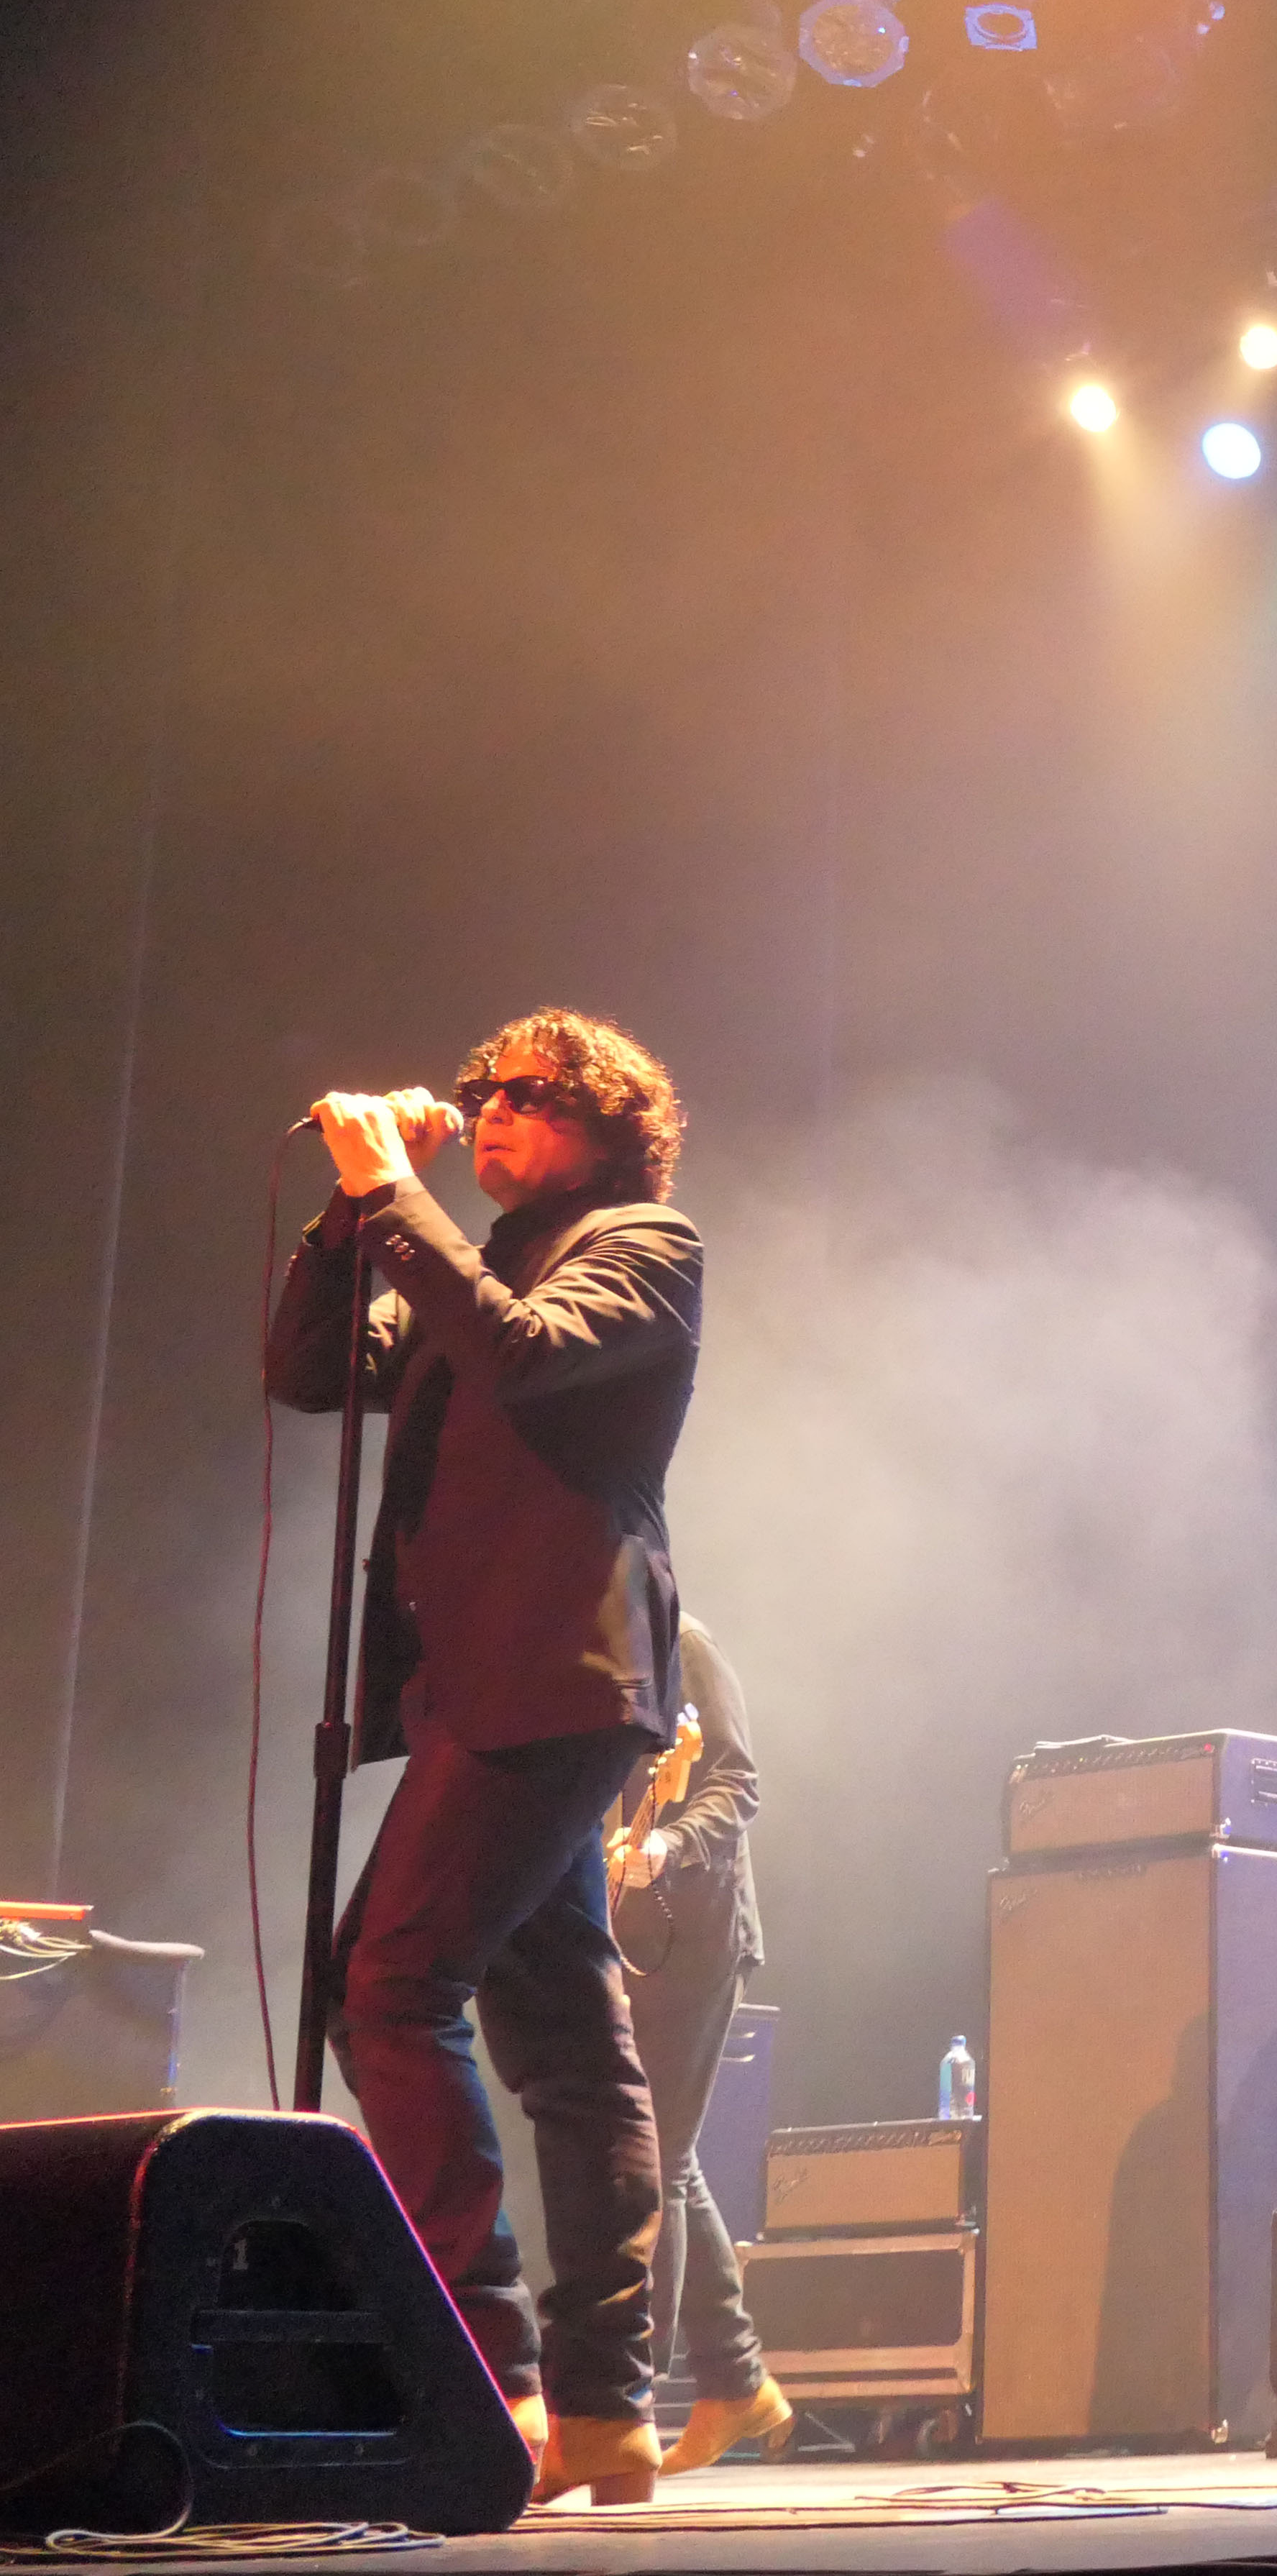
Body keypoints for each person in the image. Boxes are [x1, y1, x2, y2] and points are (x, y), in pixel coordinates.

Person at [267, 1009, 702, 2507]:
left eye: (526, 1094)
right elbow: (308, 1371)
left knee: (386, 1984)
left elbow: (525, 1361)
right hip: (481, 1684)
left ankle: (485, 2360)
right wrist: (351, 1213)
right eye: (480, 1092)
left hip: (557, 1673)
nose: (491, 1109)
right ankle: (603, 2410)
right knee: (566, 2039)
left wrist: (397, 1195)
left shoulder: (643, 1245)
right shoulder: (478, 1259)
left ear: (607, 1122)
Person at [608, 1614, 789, 2474]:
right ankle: (737, 2383)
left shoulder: (679, 1640)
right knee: (669, 2161)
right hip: (626, 1936)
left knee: (655, 2163)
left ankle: (625, 2403)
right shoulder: (581, 1658)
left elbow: (737, 1780)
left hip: (696, 1937)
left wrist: (669, 1843)